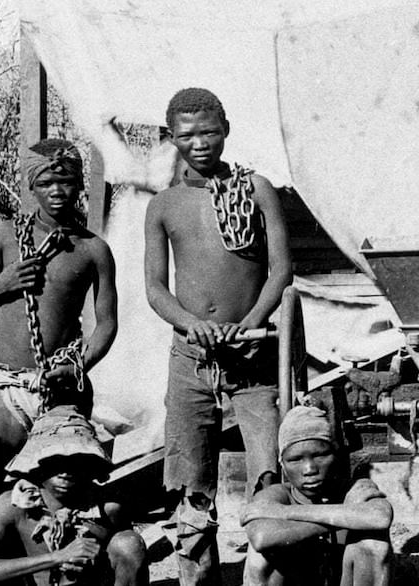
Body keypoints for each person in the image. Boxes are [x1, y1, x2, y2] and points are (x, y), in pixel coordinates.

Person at [0, 139, 119, 586]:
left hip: (64, 389)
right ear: (32, 187)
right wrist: (5, 282)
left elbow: (106, 324)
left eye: (66, 181)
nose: (57, 191)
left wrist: (79, 363)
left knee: (65, 495)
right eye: (46, 182)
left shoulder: (92, 249)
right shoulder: (6, 234)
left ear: (79, 186)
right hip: (11, 387)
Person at [144, 87, 294, 585]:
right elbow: (155, 288)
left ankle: (268, 575)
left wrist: (251, 323)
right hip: (191, 358)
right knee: (191, 488)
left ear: (225, 130)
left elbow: (280, 271)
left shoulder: (257, 190)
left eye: (209, 132)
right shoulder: (164, 205)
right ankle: (197, 579)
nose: (200, 143)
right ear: (172, 139)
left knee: (271, 474)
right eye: (187, 135)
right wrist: (193, 323)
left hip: (253, 357)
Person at [0, 407, 147, 586]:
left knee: (128, 543)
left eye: (75, 461)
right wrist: (56, 557)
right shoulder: (15, 505)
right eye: (55, 461)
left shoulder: (108, 508)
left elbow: (132, 565)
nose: (65, 472)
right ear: (37, 465)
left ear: (89, 465)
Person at [243, 405, 391, 586]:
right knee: (265, 552)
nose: (309, 469)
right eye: (296, 459)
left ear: (335, 455)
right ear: (282, 464)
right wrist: (347, 516)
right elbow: (261, 538)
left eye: (320, 455)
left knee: (374, 545)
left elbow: (380, 517)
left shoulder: (355, 488)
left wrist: (284, 513)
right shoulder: (275, 495)